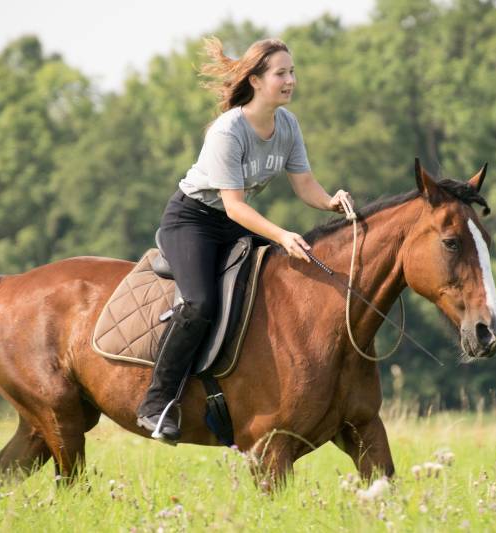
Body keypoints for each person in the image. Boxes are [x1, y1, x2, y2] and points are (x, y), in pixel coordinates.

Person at [136, 37, 354, 443]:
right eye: (281, 73)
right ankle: (156, 402)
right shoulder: (228, 130)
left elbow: (304, 184)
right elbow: (234, 206)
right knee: (201, 303)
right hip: (194, 220)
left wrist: (330, 202)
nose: (291, 80)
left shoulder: (287, 125)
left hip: (235, 223)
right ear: (255, 80)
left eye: (292, 72)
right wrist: (281, 234)